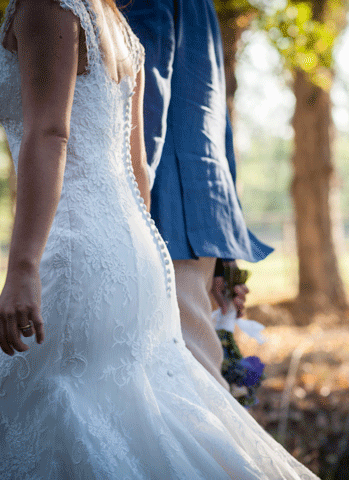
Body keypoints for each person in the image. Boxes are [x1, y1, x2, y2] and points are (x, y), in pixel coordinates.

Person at [0, 0, 319, 478]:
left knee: (58, 416)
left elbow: (49, 134)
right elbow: (138, 174)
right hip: (130, 248)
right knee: (141, 419)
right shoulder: (118, 24)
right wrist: (146, 263)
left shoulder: (49, 5)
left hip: (73, 253)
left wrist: (24, 266)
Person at [124, 0, 273, 390]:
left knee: (192, 379)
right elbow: (213, 111)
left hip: (165, 200)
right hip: (201, 200)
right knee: (189, 367)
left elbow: (144, 96)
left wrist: (125, 194)